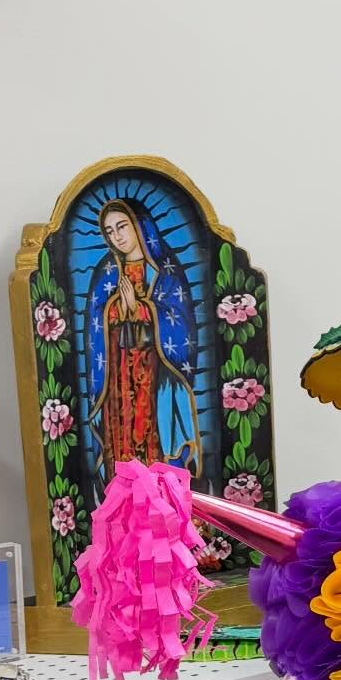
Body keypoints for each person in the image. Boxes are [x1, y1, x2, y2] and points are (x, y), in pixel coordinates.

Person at [85, 198, 202, 483]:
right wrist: (116, 309)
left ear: (140, 226)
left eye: (122, 226)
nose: (117, 236)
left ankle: (163, 496)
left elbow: (180, 320)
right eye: (110, 231)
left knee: (154, 434)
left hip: (156, 373)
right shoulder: (107, 272)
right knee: (123, 436)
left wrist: (140, 309)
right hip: (119, 375)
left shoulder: (165, 271)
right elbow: (94, 324)